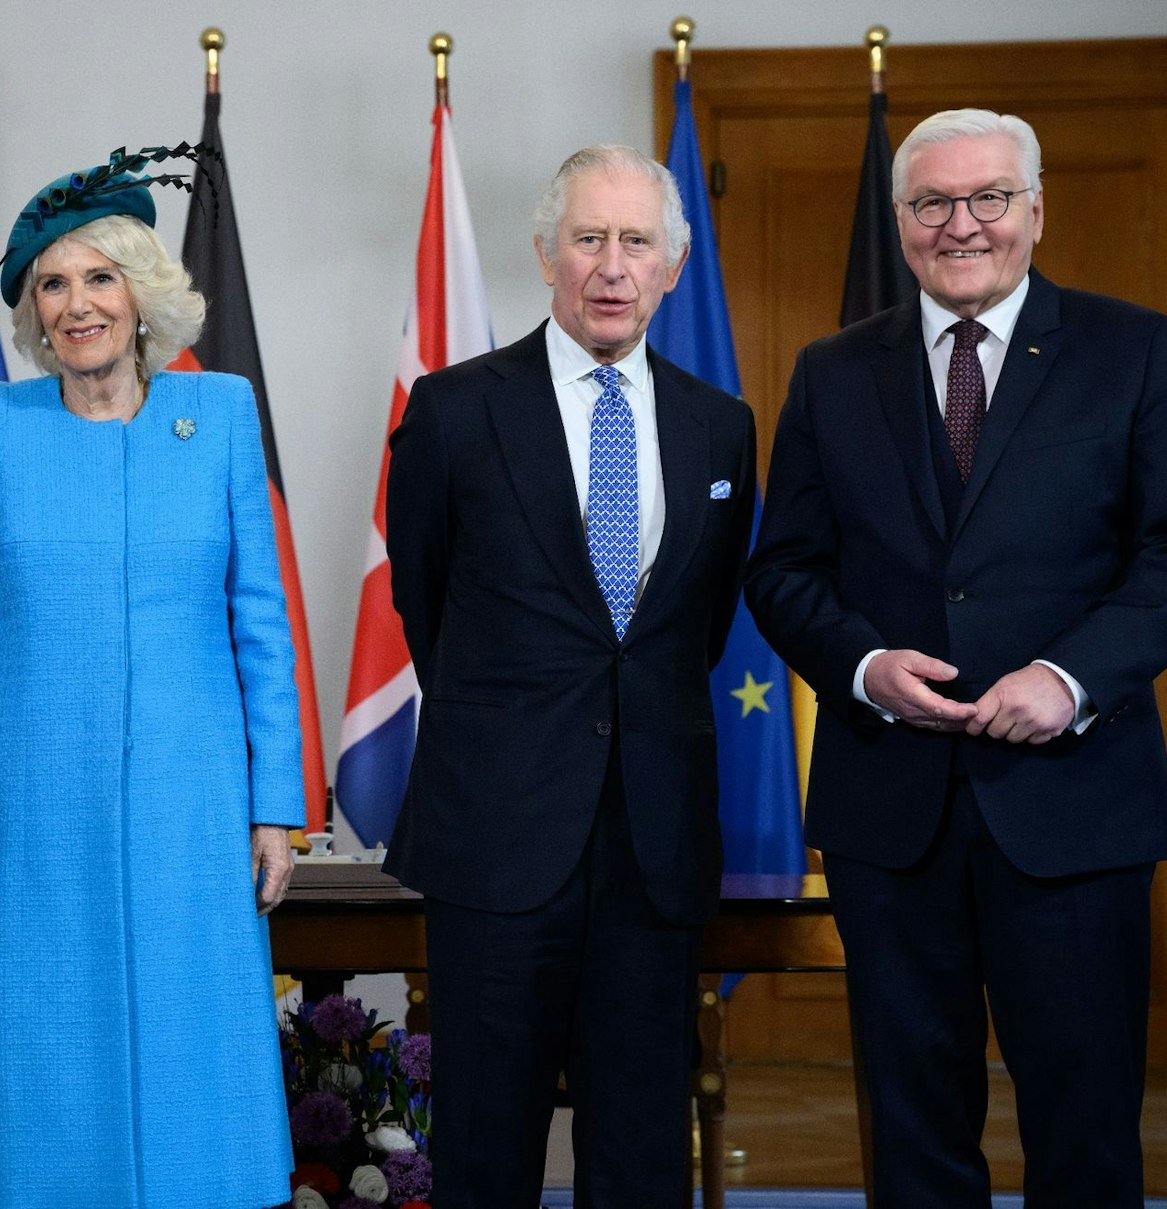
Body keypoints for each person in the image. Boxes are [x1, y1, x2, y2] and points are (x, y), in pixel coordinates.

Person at [744, 109, 1167, 1207]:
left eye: (987, 199)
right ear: (900, 219)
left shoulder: (1129, 347)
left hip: (1070, 806)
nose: (959, 225)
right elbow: (782, 570)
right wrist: (864, 668)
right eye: (929, 203)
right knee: (911, 1132)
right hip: (890, 810)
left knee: (1085, 1127)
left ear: (1033, 210)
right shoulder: (830, 373)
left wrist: (1065, 682)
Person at [0, 154, 303, 1209]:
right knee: (38, 1065)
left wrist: (276, 803)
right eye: (50, 285)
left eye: (98, 278)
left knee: (186, 1059)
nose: (76, 306)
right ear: (31, 310)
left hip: (187, 803)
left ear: (141, 292)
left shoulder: (222, 420)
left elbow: (259, 624)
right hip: (27, 808)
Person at [383, 144, 756, 1209]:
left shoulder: (717, 423)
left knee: (642, 1149)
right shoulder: (454, 410)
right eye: (587, 238)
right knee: (486, 1143)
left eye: (635, 242)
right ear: (545, 253)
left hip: (654, 844)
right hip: (497, 832)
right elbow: (427, 605)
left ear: (671, 265)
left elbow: (696, 620)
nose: (610, 264)